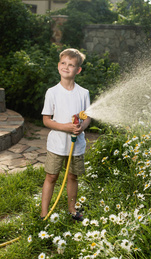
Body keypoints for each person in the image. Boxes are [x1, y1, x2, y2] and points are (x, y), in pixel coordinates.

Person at [40, 48, 91, 221]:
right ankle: (44, 213)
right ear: (58, 66)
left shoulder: (83, 93)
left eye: (71, 65)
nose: (66, 67)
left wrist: (81, 127)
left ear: (78, 70)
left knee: (72, 176)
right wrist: (66, 127)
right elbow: (46, 120)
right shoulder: (52, 92)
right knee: (52, 176)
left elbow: (87, 118)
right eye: (63, 63)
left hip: (76, 145)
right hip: (56, 144)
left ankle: (72, 210)